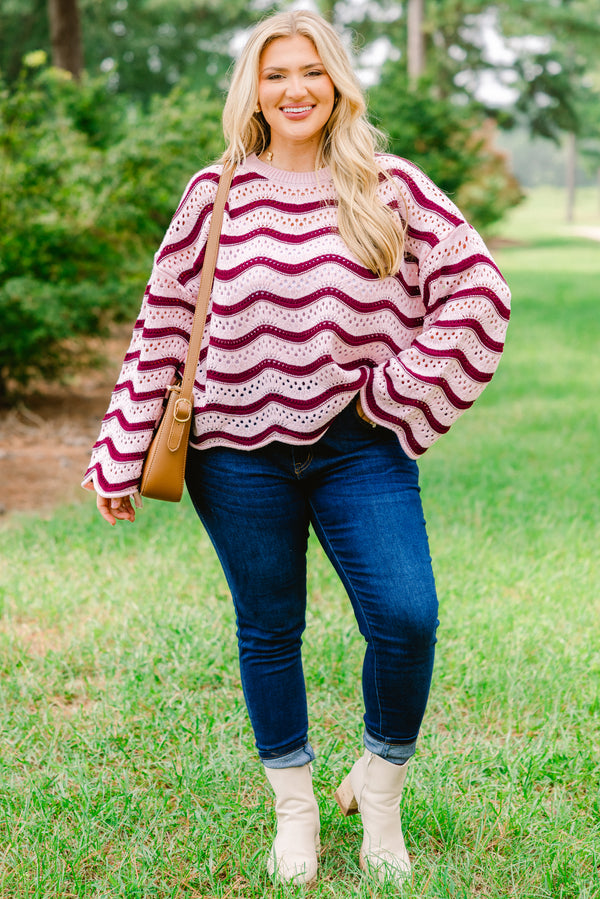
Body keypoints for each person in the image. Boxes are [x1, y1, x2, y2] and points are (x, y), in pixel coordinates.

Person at [83, 8, 510, 887]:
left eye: (311, 70)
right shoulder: (217, 192)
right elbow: (164, 323)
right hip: (232, 453)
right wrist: (121, 448)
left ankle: (379, 792)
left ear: (337, 83)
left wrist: (391, 393)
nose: (295, 89)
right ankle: (296, 812)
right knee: (269, 628)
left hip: (359, 446)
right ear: (254, 90)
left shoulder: (391, 186)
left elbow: (479, 291)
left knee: (406, 616)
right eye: (276, 74)